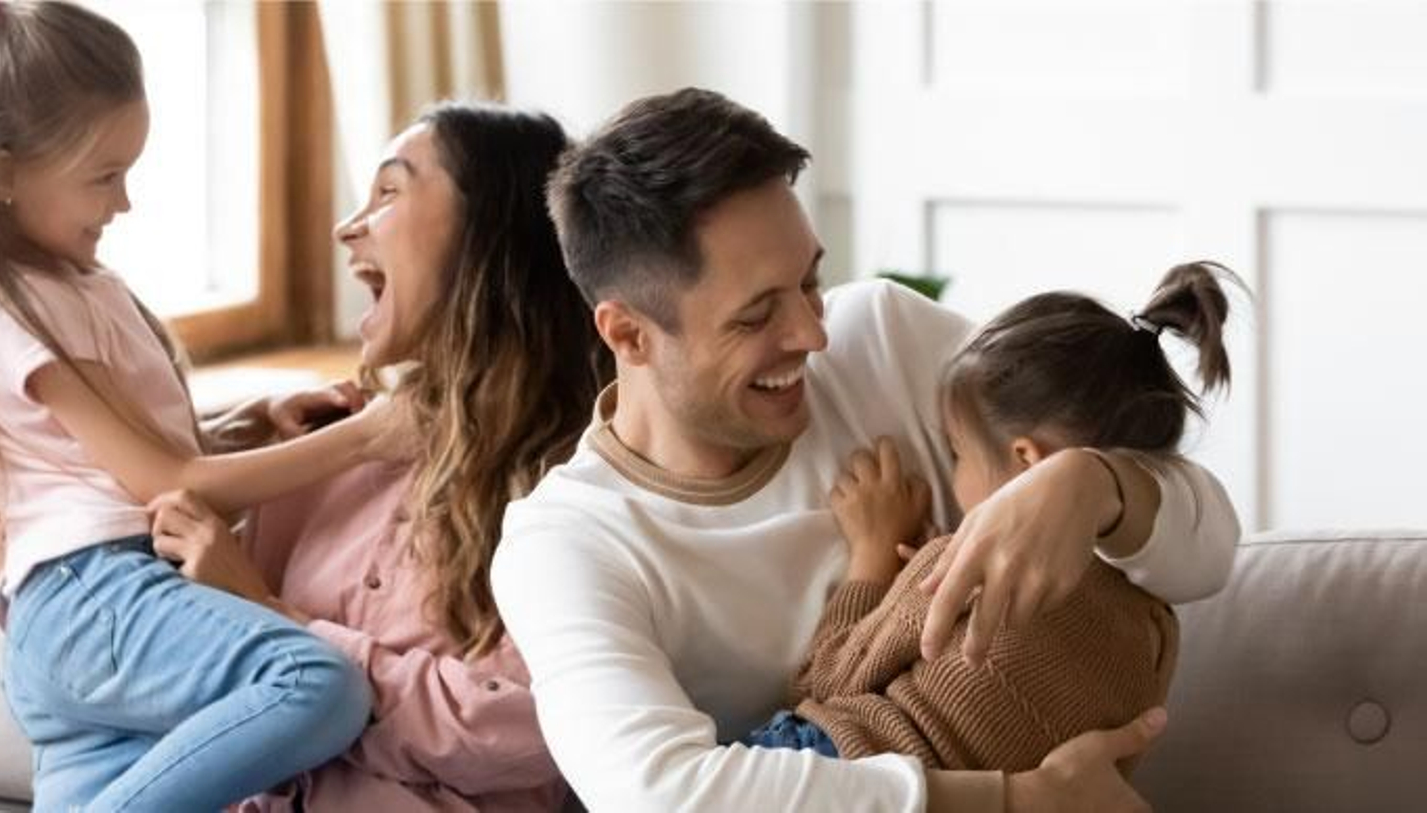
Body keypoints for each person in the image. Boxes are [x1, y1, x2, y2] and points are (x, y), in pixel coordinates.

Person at [491, 87, 1239, 812]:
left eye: (810, 282)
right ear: (628, 334)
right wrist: (1011, 801)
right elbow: (657, 793)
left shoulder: (885, 339)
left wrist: (1095, 483)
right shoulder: (564, 544)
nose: (814, 336)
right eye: (756, 317)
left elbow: (1208, 553)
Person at [0, 3, 381, 808]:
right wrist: (371, 435)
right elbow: (164, 479)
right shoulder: (5, 305)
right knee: (317, 682)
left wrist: (258, 417)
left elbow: (111, 456)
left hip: (77, 619)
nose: (123, 203)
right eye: (103, 175)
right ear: (1, 172)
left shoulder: (66, 287)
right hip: (96, 596)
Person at [142, 101, 610, 811]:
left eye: (389, 191)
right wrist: (229, 432)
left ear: (491, 232)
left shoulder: (578, 481)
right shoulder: (319, 460)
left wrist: (276, 621)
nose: (346, 226)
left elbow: (518, 728)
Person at [746, 262, 1239, 773]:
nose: (949, 473)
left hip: (843, 767)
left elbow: (823, 679)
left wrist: (873, 558)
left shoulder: (961, 568)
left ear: (1027, 459)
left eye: (955, 451)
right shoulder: (1155, 639)